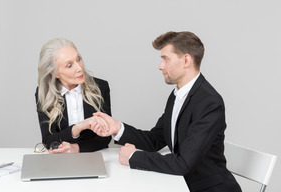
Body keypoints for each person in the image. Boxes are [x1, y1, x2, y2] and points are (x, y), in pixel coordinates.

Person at [90, 31, 242, 192]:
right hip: (179, 184)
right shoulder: (177, 95)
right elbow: (155, 140)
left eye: (165, 59)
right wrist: (117, 128)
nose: (160, 66)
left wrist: (134, 157)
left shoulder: (209, 102)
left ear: (186, 60)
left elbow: (184, 164)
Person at [36, 38, 111, 153]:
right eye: (69, 65)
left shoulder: (101, 87)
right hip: (61, 159)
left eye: (79, 59)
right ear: (54, 72)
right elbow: (48, 141)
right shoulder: (44, 93)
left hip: (94, 155)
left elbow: (105, 137)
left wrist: (77, 148)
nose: (80, 68)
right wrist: (78, 127)